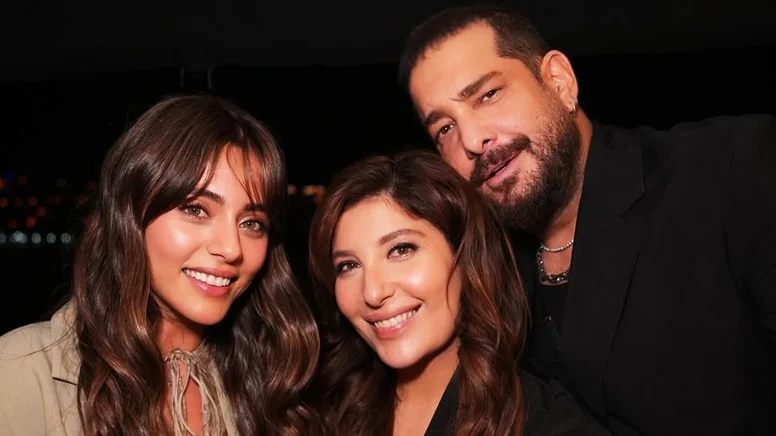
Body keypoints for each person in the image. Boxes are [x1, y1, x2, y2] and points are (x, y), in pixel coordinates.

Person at [397, 4, 776, 435]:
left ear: (559, 81)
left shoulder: (732, 169)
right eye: (444, 129)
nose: (471, 140)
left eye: (488, 95)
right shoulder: (487, 268)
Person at [0, 94, 321, 435]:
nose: (231, 248)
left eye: (252, 223)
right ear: (130, 217)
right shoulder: (20, 371)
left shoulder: (271, 379)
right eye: (196, 210)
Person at [308, 150, 611, 435]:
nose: (373, 293)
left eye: (401, 250)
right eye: (348, 266)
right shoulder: (323, 413)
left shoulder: (546, 424)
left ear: (464, 257)